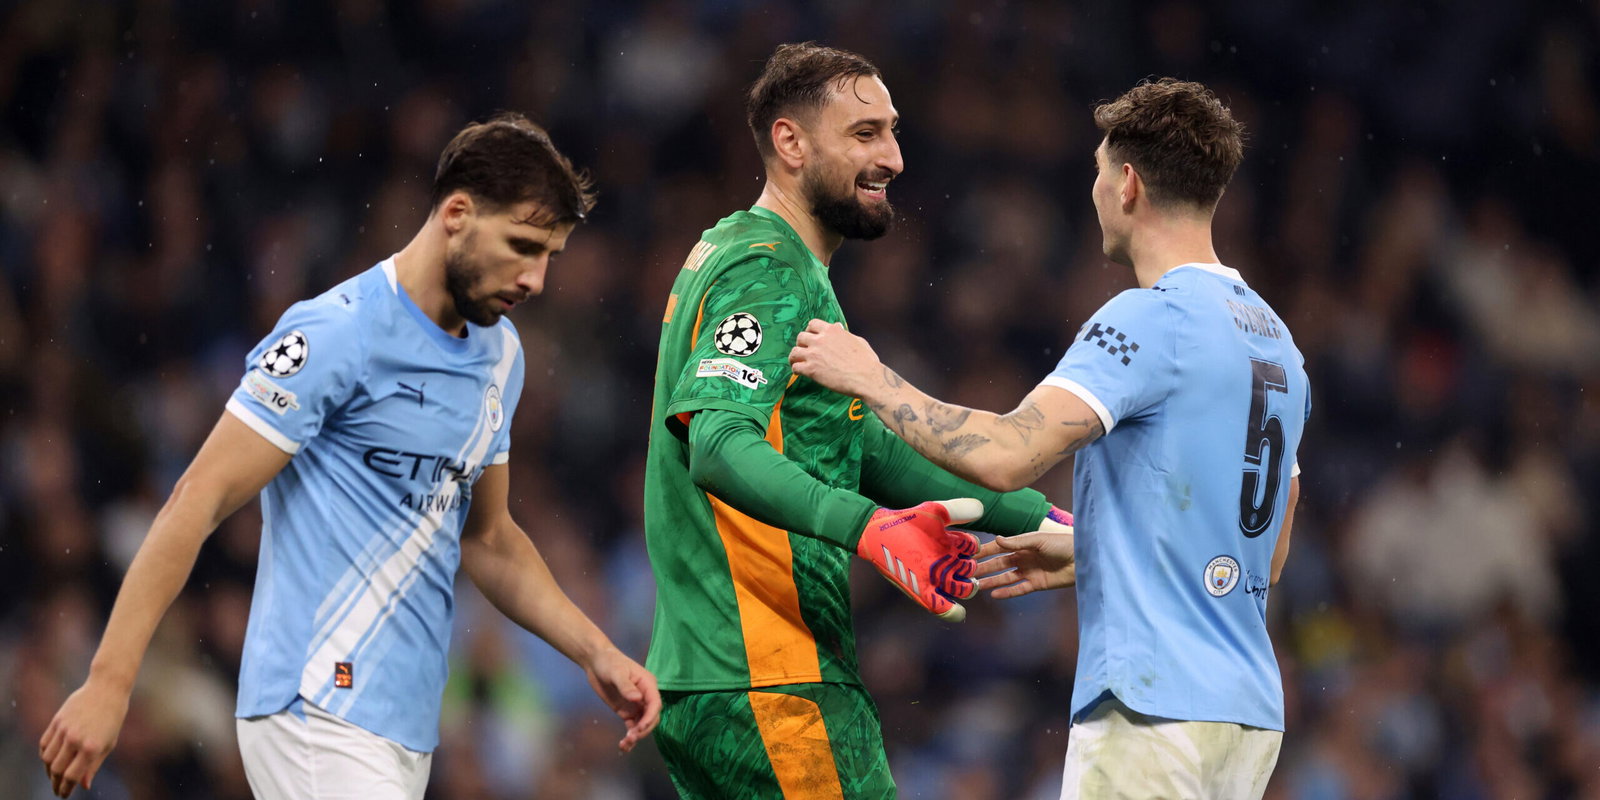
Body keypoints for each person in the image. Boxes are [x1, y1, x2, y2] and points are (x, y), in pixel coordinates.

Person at [38, 113, 660, 800]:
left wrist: (595, 651)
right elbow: (198, 499)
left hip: (406, 728)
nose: (537, 279)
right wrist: (108, 683)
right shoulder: (337, 333)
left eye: (551, 256)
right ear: (456, 214)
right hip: (315, 705)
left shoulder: (500, 356)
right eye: (522, 246)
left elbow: (490, 540)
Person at [790, 78, 1310, 799]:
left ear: (1127, 184)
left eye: (1098, 175)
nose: (1094, 193)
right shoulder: (1278, 345)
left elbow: (1008, 454)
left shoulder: (1145, 320)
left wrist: (875, 379)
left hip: (1152, 702)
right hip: (1246, 716)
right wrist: (1094, 552)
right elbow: (1269, 552)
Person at [643, 42, 1072, 799]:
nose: (896, 157)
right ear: (790, 143)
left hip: (721, 675)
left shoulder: (747, 253)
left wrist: (1037, 517)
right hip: (772, 679)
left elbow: (863, 446)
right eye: (866, 134)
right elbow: (715, 442)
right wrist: (872, 530)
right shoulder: (767, 268)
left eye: (894, 132)